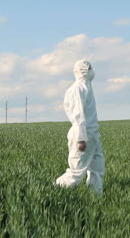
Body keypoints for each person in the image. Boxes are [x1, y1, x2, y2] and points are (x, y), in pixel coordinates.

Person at [55, 59, 105, 194]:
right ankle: (55, 189)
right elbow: (78, 116)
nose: (92, 72)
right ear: (85, 70)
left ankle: (95, 196)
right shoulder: (77, 89)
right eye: (90, 69)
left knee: (97, 168)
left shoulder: (87, 87)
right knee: (77, 172)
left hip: (93, 135)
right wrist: (81, 138)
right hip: (83, 135)